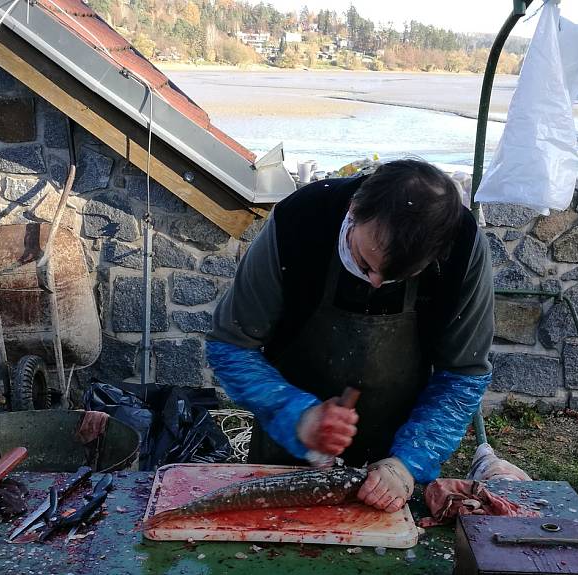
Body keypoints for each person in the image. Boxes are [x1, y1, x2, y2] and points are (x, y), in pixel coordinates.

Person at [207, 159, 494, 513]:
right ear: (354, 209)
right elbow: (231, 345)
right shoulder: (300, 221)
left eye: (396, 276)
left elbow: (463, 375)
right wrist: (296, 414)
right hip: (284, 450)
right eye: (364, 261)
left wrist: (409, 462)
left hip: (391, 463)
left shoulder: (462, 248)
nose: (374, 283)